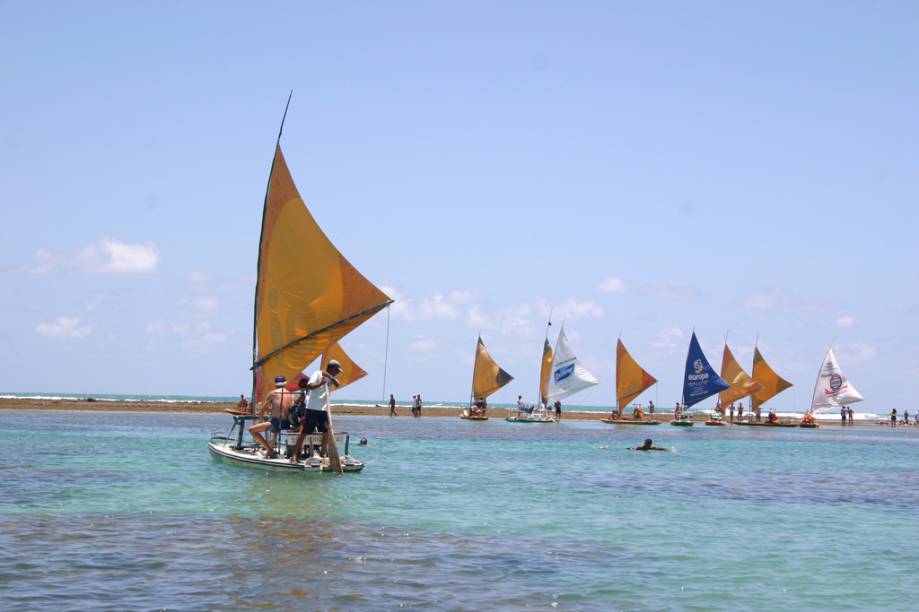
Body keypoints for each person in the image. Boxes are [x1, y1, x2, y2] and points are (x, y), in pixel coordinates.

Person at [288, 360, 343, 464]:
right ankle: (294, 456)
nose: (338, 373)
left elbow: (337, 385)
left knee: (326, 432)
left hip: (324, 410)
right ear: (332, 368)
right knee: (304, 433)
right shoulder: (317, 374)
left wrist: (330, 377)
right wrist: (321, 383)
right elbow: (309, 386)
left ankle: (322, 455)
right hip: (312, 408)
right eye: (337, 371)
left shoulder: (330, 377)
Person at [249, 376, 294, 458]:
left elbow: (263, 409)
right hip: (287, 423)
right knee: (273, 427)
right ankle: (269, 450)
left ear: (275, 384)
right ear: (285, 383)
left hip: (276, 422)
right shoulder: (289, 393)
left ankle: (269, 449)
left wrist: (260, 421)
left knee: (252, 430)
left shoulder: (273, 393)